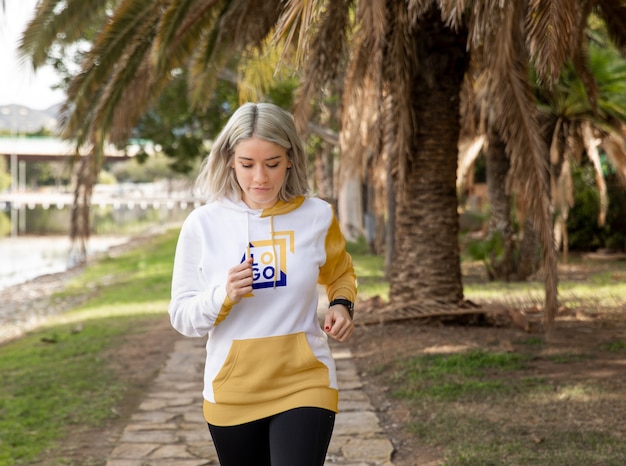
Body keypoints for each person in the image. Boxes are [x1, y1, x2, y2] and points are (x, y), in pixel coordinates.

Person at [168, 102, 357, 466]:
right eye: (247, 164)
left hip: (305, 381)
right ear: (229, 161)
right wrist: (223, 295)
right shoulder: (203, 224)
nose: (260, 178)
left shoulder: (317, 215)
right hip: (232, 389)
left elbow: (340, 273)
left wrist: (341, 305)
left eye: (272, 164)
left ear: (290, 159)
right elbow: (181, 315)